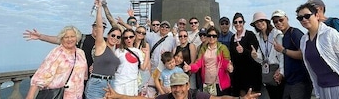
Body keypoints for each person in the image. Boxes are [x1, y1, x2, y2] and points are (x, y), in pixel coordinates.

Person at [23, 18, 108, 93]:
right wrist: (41, 36)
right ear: (92, 27)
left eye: (102, 27)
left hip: (92, 82)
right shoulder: (82, 38)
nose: (98, 29)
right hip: (72, 84)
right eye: (96, 26)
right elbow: (59, 39)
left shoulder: (106, 42)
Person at [25, 26, 87, 99]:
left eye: (72, 36)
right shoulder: (57, 53)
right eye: (66, 37)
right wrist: (30, 96)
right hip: (59, 95)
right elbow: (41, 74)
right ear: (61, 39)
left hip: (77, 95)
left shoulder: (80, 53)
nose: (69, 39)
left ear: (77, 38)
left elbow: (84, 75)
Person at [104, 72, 261, 99]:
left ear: (187, 86)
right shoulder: (167, 97)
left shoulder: (196, 95)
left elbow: (219, 98)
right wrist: (118, 96)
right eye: (174, 86)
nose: (177, 90)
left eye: (180, 86)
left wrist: (240, 98)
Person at [85, 0, 122, 99]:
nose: (115, 38)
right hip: (97, 83)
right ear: (108, 35)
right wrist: (99, 8)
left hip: (111, 83)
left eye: (118, 37)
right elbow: (100, 27)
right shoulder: (101, 45)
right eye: (113, 35)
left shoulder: (115, 51)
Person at [271, 10, 312, 99]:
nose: (278, 23)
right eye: (275, 22)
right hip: (290, 81)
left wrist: (283, 50)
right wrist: (280, 70)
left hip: (300, 81)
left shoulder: (295, 33)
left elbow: (304, 54)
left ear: (287, 18)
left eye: (281, 20)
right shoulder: (284, 36)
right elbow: (287, 58)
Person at [183, 26, 233, 96]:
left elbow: (226, 63)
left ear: (217, 37)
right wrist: (189, 67)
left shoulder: (223, 48)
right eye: (209, 35)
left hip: (220, 83)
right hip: (206, 83)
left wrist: (229, 67)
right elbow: (198, 64)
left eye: (214, 36)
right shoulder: (203, 49)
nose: (211, 37)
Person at [250, 12, 284, 99]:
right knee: (272, 94)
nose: (259, 23)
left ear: (266, 21)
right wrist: (255, 56)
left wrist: (281, 70)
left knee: (280, 95)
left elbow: (282, 55)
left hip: (277, 69)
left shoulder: (277, 34)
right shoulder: (258, 37)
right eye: (256, 22)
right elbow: (261, 59)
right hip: (267, 71)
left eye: (261, 21)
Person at [229, 12, 262, 96]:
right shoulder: (233, 38)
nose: (238, 24)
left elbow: (255, 54)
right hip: (238, 76)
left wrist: (244, 51)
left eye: (240, 22)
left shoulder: (250, 35)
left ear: (244, 23)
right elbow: (232, 56)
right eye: (235, 22)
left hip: (251, 74)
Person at [113, 29, 149, 96]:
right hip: (119, 82)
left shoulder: (138, 52)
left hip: (132, 83)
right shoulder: (118, 51)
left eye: (131, 37)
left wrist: (147, 54)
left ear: (134, 37)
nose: (128, 39)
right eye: (126, 37)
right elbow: (112, 66)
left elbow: (143, 67)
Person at [145, 20, 177, 96]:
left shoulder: (172, 39)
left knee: (163, 90)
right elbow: (138, 31)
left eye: (167, 27)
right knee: (151, 89)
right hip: (153, 68)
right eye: (162, 26)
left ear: (169, 29)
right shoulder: (152, 36)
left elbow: (175, 51)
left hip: (165, 69)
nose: (164, 28)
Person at [133, 25, 152, 95]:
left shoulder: (146, 45)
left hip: (144, 72)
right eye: (139, 32)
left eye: (143, 33)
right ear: (135, 32)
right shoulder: (130, 43)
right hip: (133, 72)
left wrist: (150, 75)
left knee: (143, 94)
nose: (141, 34)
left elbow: (148, 61)